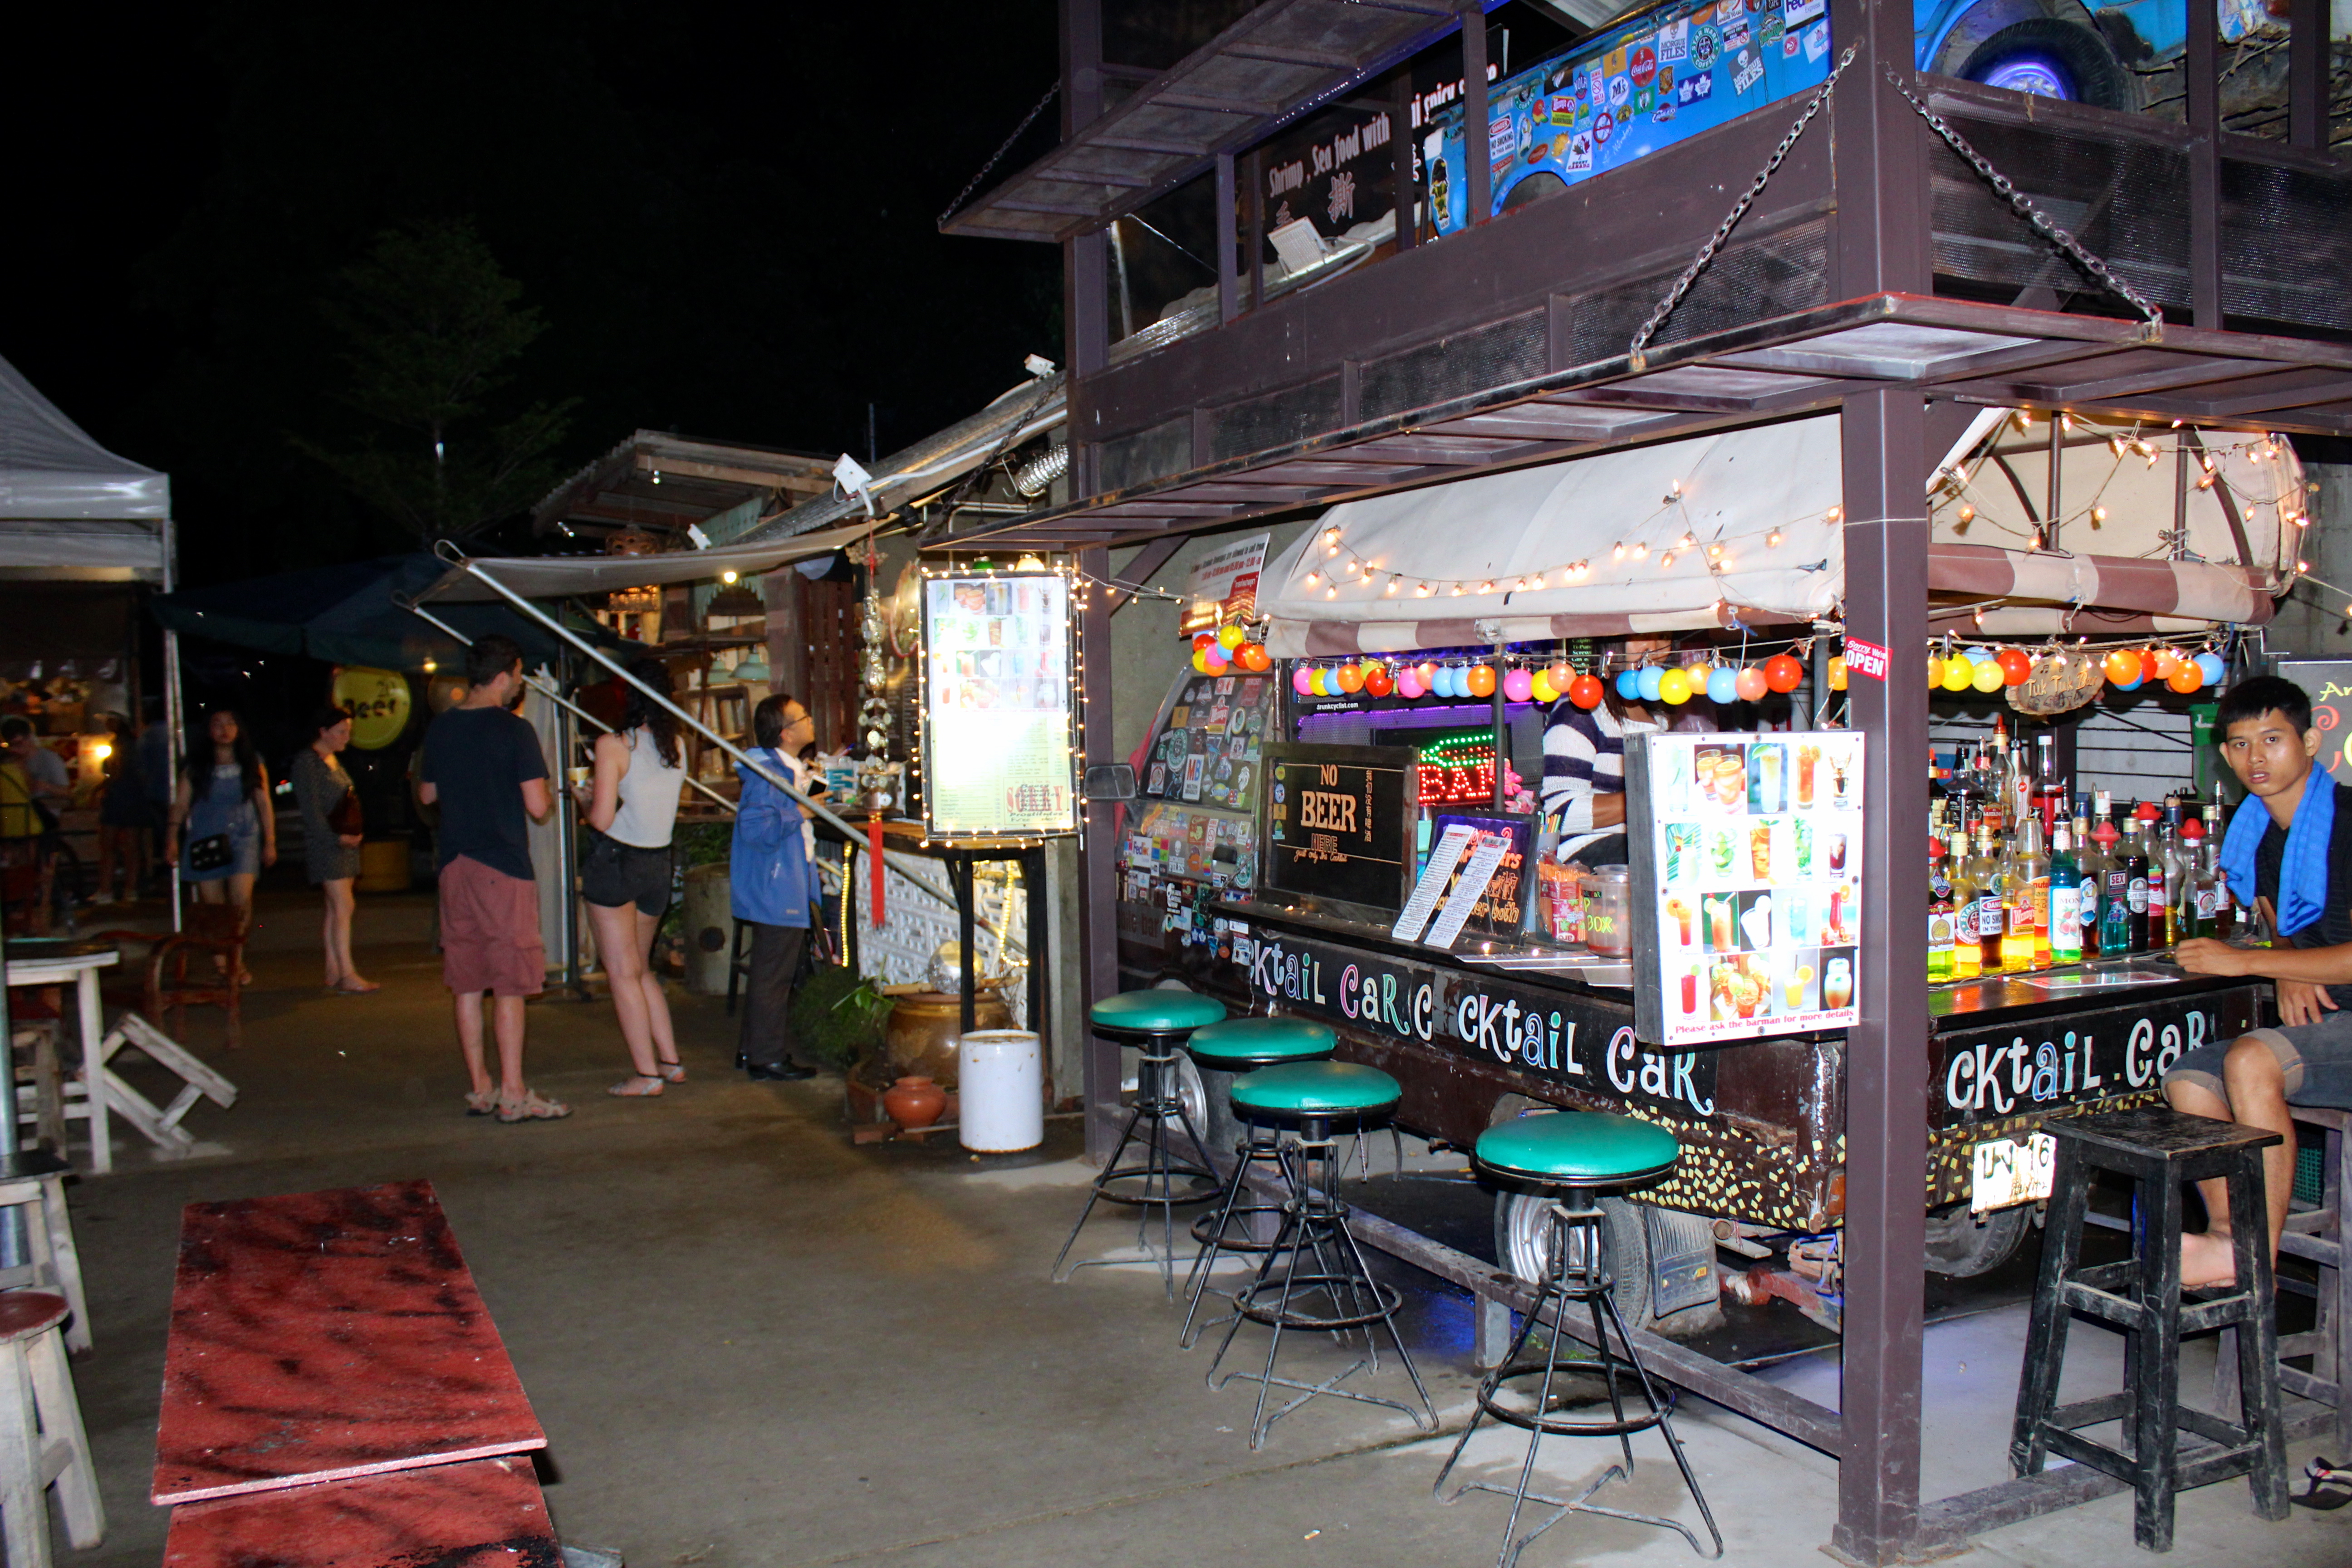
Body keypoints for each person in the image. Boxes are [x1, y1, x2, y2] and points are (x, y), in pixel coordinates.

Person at [2168, 674, 2352, 1288]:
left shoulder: (2346, 825)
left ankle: (2256, 1255)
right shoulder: (2262, 837)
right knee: (2190, 1078)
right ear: (2225, 755)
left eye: (2273, 740)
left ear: (2309, 743)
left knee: (2251, 1061)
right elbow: (2287, 932)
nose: (2256, 759)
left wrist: (2252, 962)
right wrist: (2283, 960)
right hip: (2331, 1023)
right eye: (2242, 745)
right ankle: (2228, 1239)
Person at [418, 636, 568, 1124]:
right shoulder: (514, 730)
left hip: (454, 865)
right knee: (510, 982)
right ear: (504, 675)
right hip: (501, 867)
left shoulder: (441, 729)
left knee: (466, 981)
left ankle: (481, 1089)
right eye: (520, 674)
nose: (520, 683)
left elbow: (426, 795)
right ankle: (514, 1093)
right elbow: (538, 806)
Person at [576, 663, 689, 1098]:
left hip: (618, 861)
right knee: (641, 971)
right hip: (658, 863)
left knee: (622, 973)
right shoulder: (675, 745)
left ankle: (646, 1075)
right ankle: (671, 1062)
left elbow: (602, 820)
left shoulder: (612, 745)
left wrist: (585, 799)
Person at [730, 694, 822, 1082]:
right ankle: (766, 1058)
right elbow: (757, 828)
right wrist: (803, 809)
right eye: (805, 716)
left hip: (777, 884)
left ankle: (754, 1050)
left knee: (770, 972)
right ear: (786, 733)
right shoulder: (768, 774)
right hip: (776, 887)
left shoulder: (779, 769)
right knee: (774, 977)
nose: (811, 720)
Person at [163, 709, 276, 950]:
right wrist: (172, 837)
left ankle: (236, 956)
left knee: (241, 901)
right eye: (218, 724)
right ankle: (220, 959)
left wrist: (270, 840)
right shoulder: (196, 766)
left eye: (231, 723)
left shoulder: (251, 762)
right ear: (208, 730)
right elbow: (181, 804)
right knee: (214, 905)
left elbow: (263, 801)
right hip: (207, 836)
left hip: (244, 835)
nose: (225, 730)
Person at [292, 705, 375, 994]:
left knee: (335, 907)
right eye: (341, 732)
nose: (346, 737)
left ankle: (334, 968)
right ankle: (347, 973)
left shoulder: (332, 761)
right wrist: (336, 839)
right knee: (343, 906)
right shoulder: (307, 763)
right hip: (327, 845)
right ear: (323, 732)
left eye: (349, 731)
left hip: (342, 843)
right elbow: (312, 811)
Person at [93, 714, 150, 904]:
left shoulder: (122, 745)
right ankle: (130, 889)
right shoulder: (134, 744)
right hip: (133, 798)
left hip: (120, 798)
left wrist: (99, 789)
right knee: (131, 847)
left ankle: (107, 890)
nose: (108, 724)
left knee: (110, 845)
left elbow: (116, 772)